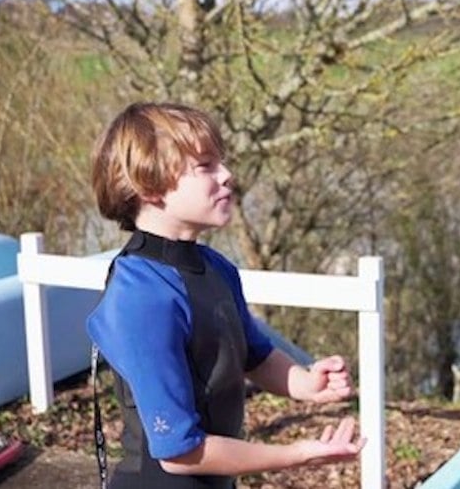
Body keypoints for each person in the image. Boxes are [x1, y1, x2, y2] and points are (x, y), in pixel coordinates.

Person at [85, 102, 365, 488]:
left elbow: (254, 355)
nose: (227, 175)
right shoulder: (140, 296)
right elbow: (180, 452)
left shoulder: (217, 269)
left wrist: (305, 383)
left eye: (222, 162)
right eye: (205, 166)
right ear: (149, 186)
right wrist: (294, 454)